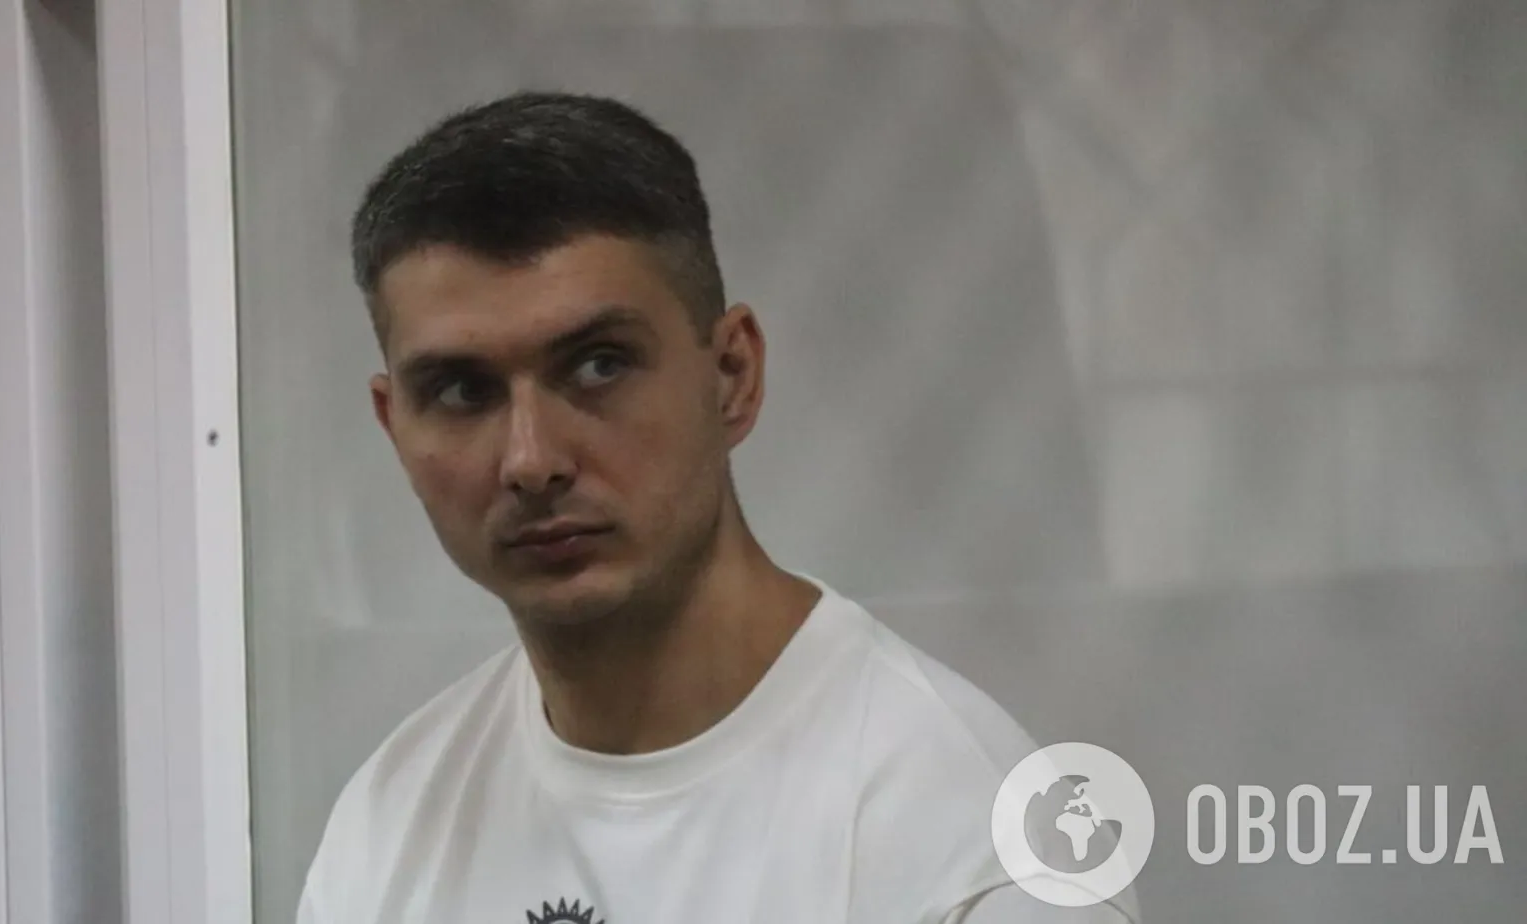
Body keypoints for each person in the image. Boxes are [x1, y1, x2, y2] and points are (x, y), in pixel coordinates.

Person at [301, 91, 1137, 923]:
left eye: (597, 366)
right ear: (393, 424)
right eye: (461, 390)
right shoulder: (389, 824)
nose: (531, 461)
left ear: (732, 374)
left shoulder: (974, 846)